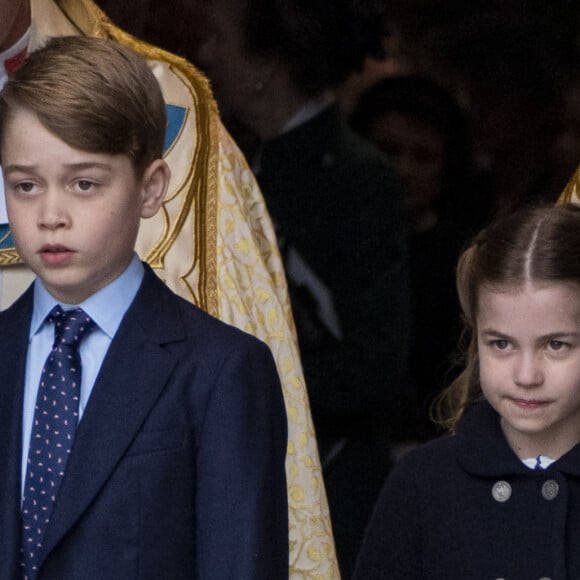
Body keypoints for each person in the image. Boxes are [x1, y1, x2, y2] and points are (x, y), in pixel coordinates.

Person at [0, 1, 338, 576]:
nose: (51, 214)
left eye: (84, 183)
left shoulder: (224, 371)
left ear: (152, 188)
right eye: (26, 186)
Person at [195, 1, 411, 574]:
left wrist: (236, 387)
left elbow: (376, 363)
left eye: (220, 39)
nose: (204, 54)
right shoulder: (236, 160)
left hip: (331, 482)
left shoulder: (355, 180)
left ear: (266, 66)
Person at [354, 203, 580, 579]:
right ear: (475, 339)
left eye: (556, 345)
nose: (526, 376)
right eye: (501, 344)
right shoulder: (421, 484)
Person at [351, 75, 473, 440]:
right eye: (388, 151)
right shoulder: (343, 247)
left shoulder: (466, 261)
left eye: (423, 156)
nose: (403, 171)